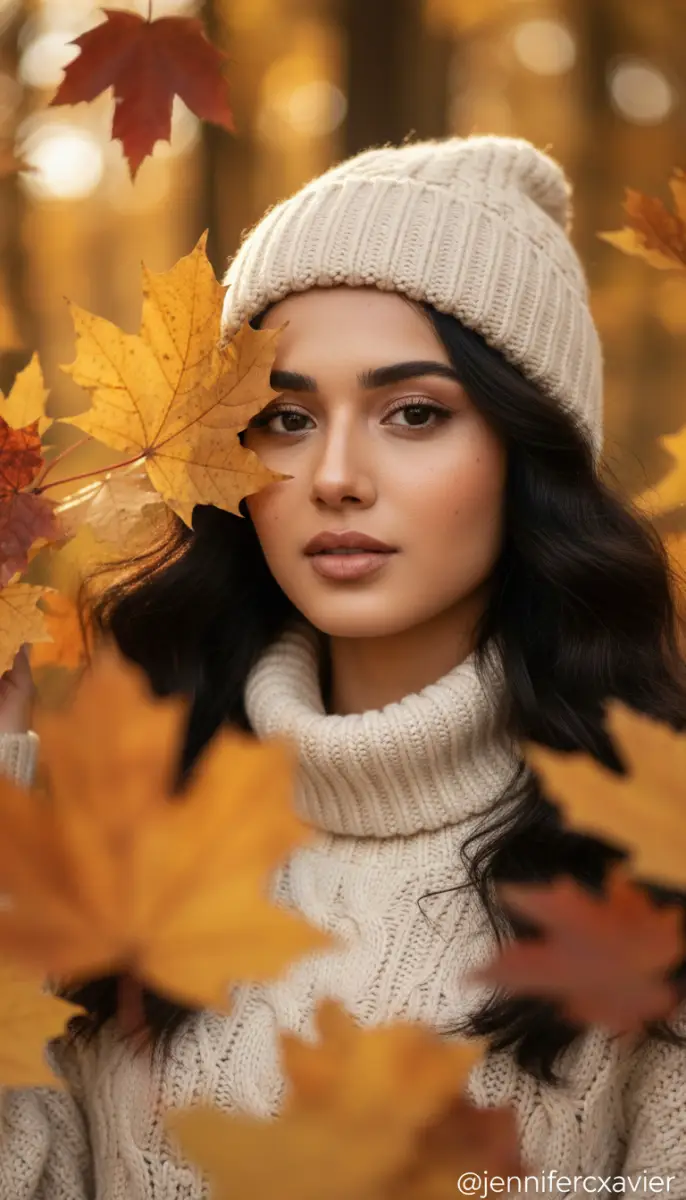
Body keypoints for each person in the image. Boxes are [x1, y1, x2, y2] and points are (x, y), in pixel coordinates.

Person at [0, 135, 684, 1200]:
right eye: (284, 417)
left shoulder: (654, 860)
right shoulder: (103, 835)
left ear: (526, 454)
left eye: (412, 413)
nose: (333, 477)